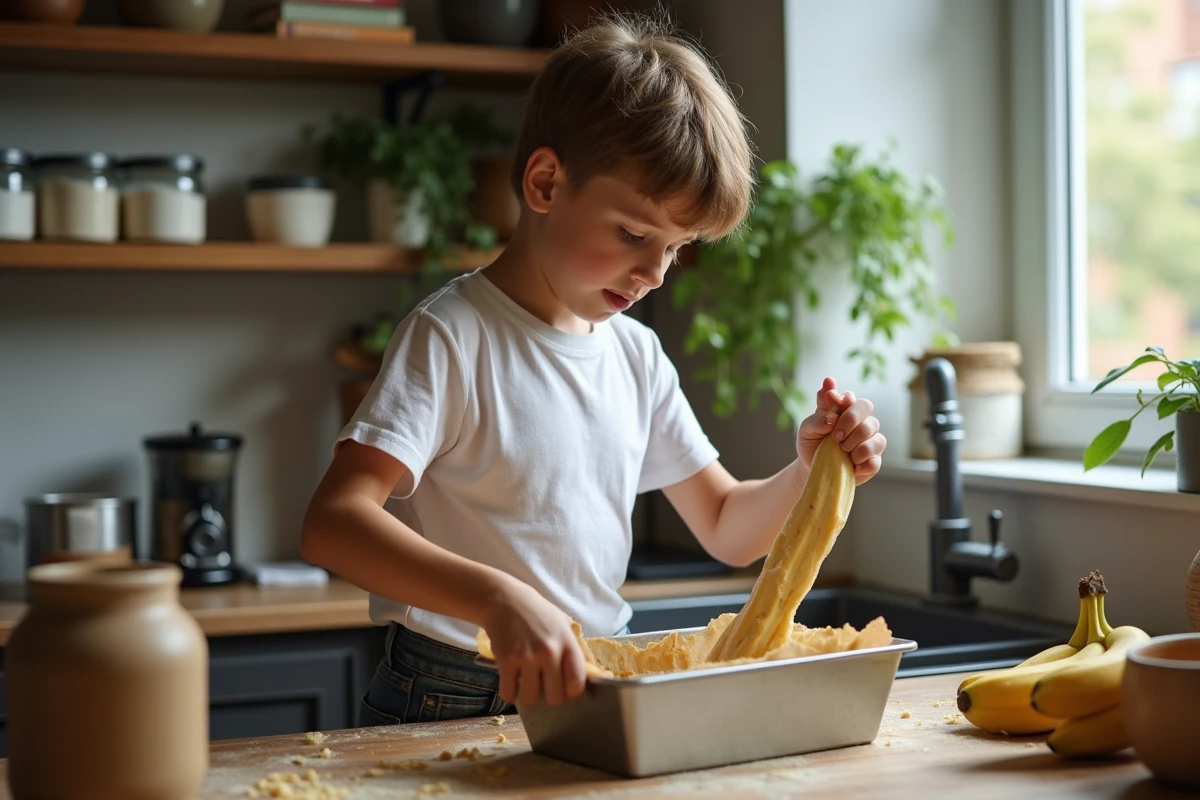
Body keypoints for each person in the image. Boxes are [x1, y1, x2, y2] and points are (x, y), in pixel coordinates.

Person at [300, 11, 887, 726]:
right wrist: (498, 599)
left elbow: (728, 526)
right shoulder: (453, 336)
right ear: (545, 183)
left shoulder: (635, 356)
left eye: (675, 248)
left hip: (594, 683)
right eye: (635, 234)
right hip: (453, 688)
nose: (654, 272)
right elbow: (334, 523)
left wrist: (807, 469)